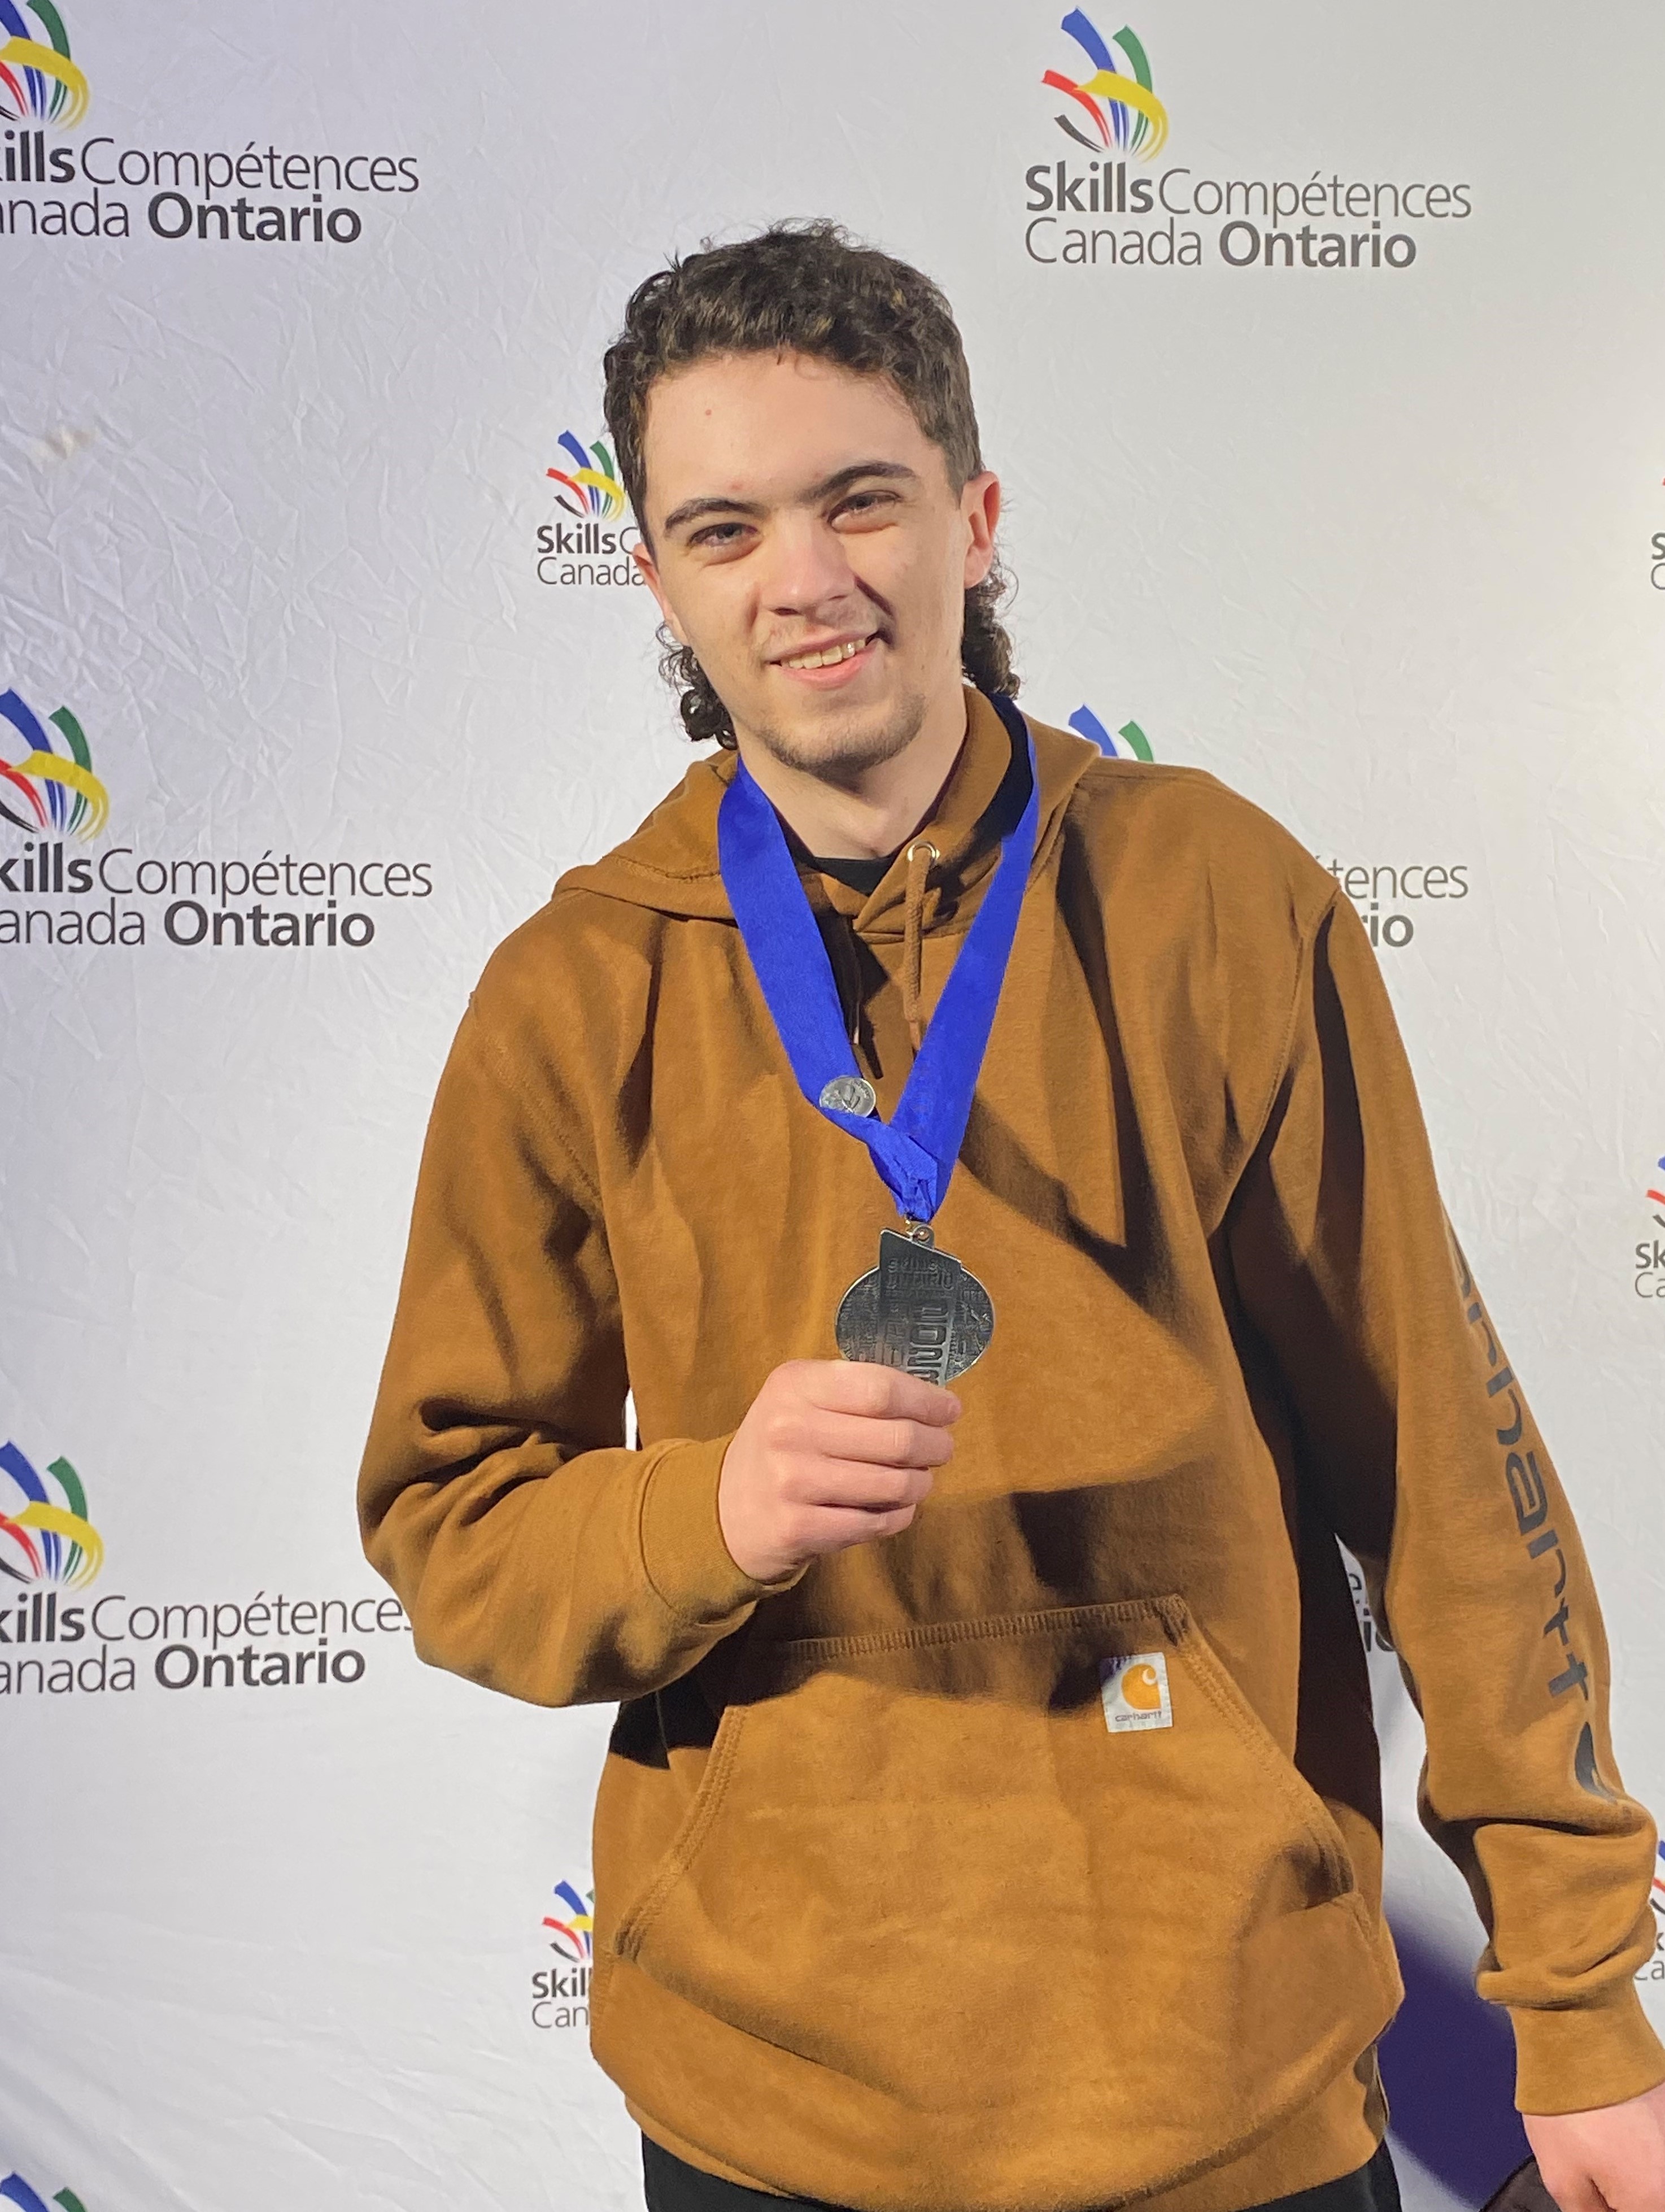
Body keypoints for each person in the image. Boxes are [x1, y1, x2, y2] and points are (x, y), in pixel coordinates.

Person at [358, 221, 1665, 2212]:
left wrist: (1575, 2002)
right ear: (653, 578)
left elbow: (1438, 1470)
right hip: (773, 2096)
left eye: (855, 499)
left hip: (1223, 2069)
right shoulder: (573, 990)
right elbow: (451, 1521)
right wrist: (703, 1512)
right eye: (723, 528)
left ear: (970, 517)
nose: (802, 580)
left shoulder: (1211, 893)